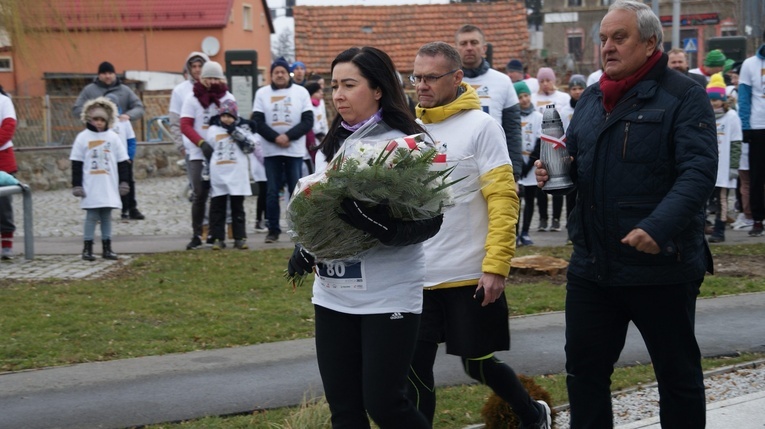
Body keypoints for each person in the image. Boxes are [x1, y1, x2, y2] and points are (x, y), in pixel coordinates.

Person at [534, 1, 717, 426]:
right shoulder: (595, 97)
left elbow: (698, 171)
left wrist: (658, 226)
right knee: (584, 373)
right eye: (603, 39)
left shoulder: (684, 95)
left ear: (650, 42)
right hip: (593, 267)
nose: (608, 48)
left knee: (677, 377)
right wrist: (556, 170)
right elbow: (581, 160)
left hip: (660, 265)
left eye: (620, 38)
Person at [286, 46, 442, 429]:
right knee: (344, 410)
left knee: (385, 404)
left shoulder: (409, 145)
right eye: (334, 85)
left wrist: (376, 224)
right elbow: (321, 211)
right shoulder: (334, 143)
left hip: (387, 295)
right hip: (334, 294)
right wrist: (306, 246)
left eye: (349, 84)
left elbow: (430, 223)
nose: (337, 94)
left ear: (377, 90)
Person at [406, 41, 551, 429]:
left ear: (456, 78)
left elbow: (504, 198)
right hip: (417, 275)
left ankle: (531, 413)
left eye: (430, 77)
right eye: (416, 76)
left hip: (468, 273)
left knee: (476, 363)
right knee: (414, 368)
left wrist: (497, 265)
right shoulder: (408, 129)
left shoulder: (482, 127)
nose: (421, 85)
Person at [251, 57, 313, 243]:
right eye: (276, 72)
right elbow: (258, 122)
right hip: (271, 151)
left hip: (294, 150)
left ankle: (299, 228)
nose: (280, 75)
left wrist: (289, 136)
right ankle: (273, 229)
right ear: (271, 75)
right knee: (272, 191)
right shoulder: (261, 93)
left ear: (288, 74)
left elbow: (308, 120)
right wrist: (275, 137)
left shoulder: (301, 92)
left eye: (283, 72)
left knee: (296, 191)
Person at [455, 24, 523, 185]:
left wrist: (515, 172)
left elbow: (513, 130)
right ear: (456, 49)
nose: (469, 48)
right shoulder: (447, 82)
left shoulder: (503, 81)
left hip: (495, 163)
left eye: (474, 42)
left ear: (484, 48)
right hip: (458, 165)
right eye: (464, 44)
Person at [180, 61, 236, 250]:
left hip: (221, 153)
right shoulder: (192, 98)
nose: (212, 82)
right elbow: (185, 125)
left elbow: (234, 123)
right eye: (208, 78)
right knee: (199, 193)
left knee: (220, 194)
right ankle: (197, 233)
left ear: (221, 79)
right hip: (198, 151)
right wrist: (201, 143)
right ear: (202, 78)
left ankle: (217, 233)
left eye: (215, 78)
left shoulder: (227, 97)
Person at [69, 97, 130, 261]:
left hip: (108, 184)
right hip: (91, 185)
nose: (98, 123)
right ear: (90, 118)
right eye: (96, 119)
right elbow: (76, 163)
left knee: (106, 216)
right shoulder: (83, 137)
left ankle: (107, 247)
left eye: (102, 119)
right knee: (91, 216)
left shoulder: (113, 137)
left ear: (107, 120)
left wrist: (124, 182)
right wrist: (77, 184)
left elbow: (123, 162)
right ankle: (87, 248)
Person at [205, 99, 258, 250]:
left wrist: (234, 132)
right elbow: (208, 153)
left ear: (235, 117)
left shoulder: (242, 130)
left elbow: (250, 147)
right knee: (217, 207)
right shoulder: (213, 130)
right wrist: (206, 174)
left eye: (230, 116)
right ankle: (217, 237)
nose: (226, 119)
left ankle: (239, 237)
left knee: (237, 207)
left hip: (236, 174)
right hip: (219, 174)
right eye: (224, 116)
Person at [532, 67, 570, 232]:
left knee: (558, 178)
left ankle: (556, 218)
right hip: (540, 142)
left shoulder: (563, 97)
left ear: (553, 81)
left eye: (548, 80)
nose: (545, 84)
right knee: (542, 178)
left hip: (559, 143)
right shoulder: (534, 98)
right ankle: (542, 218)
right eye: (542, 81)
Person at [168, 52, 210, 202]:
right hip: (191, 145)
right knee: (197, 188)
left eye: (201, 66)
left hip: (213, 144)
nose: (197, 70)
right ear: (189, 69)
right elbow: (175, 120)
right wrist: (180, 145)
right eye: (194, 66)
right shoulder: (180, 91)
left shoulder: (216, 88)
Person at [706, 73, 742, 243]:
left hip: (723, 167)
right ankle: (702, 228)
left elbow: (736, 143)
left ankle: (719, 231)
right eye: (710, 99)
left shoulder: (732, 117)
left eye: (716, 99)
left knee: (721, 200)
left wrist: (734, 167)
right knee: (703, 200)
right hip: (706, 166)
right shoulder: (704, 115)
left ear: (722, 99)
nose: (713, 103)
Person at [737, 30, 765, 237]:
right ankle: (757, 219)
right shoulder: (750, 64)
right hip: (758, 127)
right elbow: (744, 98)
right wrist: (745, 126)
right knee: (756, 177)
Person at [72, 61, 144, 121]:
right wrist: (92, 116)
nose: (107, 76)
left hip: (120, 131)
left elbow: (139, 107)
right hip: (96, 132)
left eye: (110, 73)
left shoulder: (125, 90)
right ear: (99, 75)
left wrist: (128, 115)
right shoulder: (89, 90)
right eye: (104, 73)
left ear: (114, 74)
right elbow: (77, 109)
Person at [0, 85, 17, 260]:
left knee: (3, 205)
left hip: (2, 159)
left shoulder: (4, 102)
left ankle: (6, 243)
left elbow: (9, 126)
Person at [305, 81, 328, 170]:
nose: (321, 93)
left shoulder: (320, 104)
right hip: (313, 139)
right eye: (318, 92)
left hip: (321, 137)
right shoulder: (309, 106)